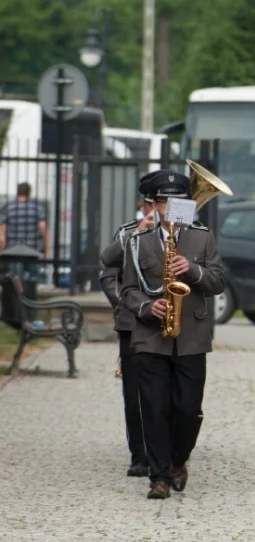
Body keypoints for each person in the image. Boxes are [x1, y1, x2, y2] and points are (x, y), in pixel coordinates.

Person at [119, 170, 226, 499]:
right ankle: (159, 477)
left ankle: (179, 459)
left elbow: (218, 282)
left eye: (176, 202)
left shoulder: (202, 238)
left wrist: (191, 270)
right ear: (154, 205)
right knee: (153, 407)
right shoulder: (137, 242)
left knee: (188, 409)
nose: (169, 208)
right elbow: (127, 290)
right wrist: (147, 308)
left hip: (191, 335)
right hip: (151, 338)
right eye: (163, 202)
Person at [99, 193, 154, 477]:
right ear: (142, 204)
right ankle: (139, 456)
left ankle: (166, 451)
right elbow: (109, 275)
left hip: (166, 322)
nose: (157, 208)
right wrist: (127, 305)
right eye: (152, 202)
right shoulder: (126, 233)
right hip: (132, 322)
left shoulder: (185, 233)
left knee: (167, 392)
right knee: (133, 393)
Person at [0, 183, 48, 280]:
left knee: (15, 277)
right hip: (32, 248)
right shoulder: (37, 208)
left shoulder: (9, 208)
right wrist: (46, 249)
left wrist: (2, 248)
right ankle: (30, 292)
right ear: (29, 193)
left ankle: (17, 294)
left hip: (13, 249)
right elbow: (43, 227)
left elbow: (3, 230)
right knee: (33, 275)